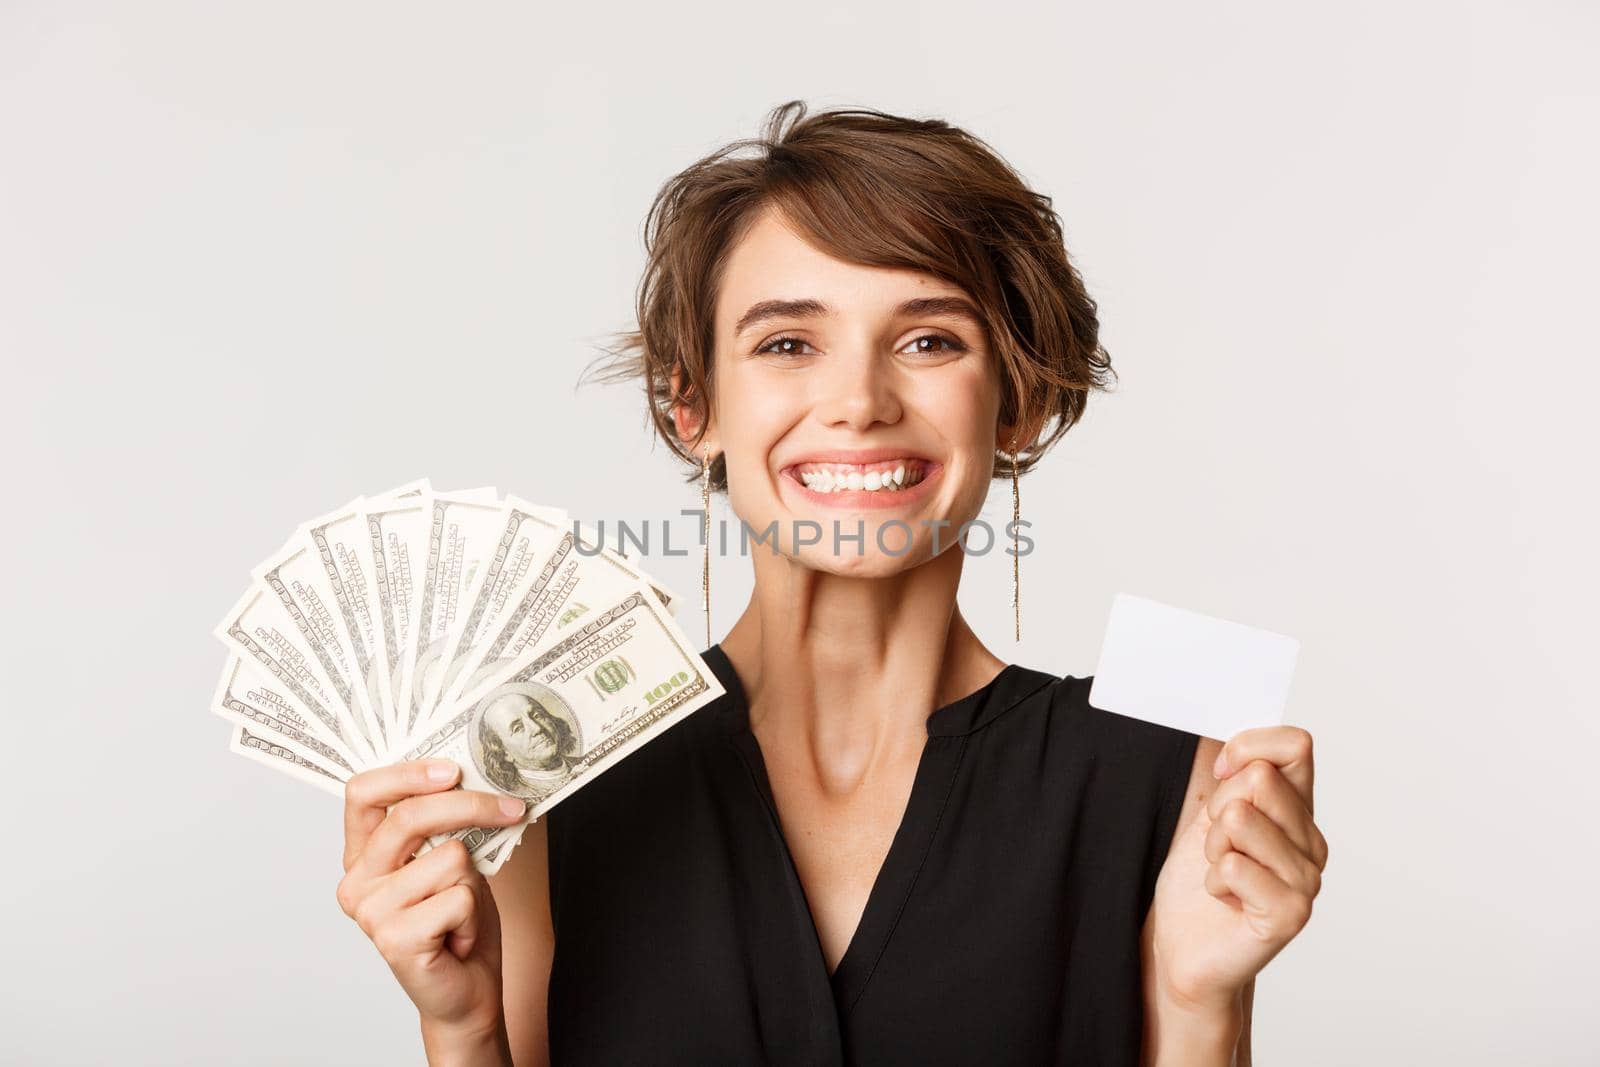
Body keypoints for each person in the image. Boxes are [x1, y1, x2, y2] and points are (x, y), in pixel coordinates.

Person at [335, 100, 1327, 1066]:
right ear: (692, 406)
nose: (857, 401)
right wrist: (461, 1032)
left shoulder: (1164, 771)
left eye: (930, 338)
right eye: (786, 342)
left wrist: (1204, 1002)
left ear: (1018, 402)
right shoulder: (547, 776)